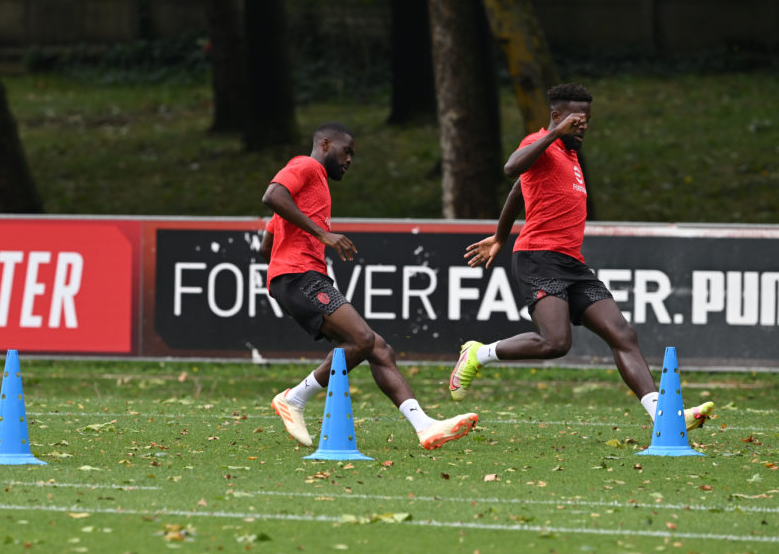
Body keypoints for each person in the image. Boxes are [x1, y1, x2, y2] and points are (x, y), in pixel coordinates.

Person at [453, 83, 714, 431]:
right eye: (577, 120)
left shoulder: (571, 156)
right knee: (556, 343)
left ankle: (663, 417)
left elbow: (520, 190)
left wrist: (500, 235)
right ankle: (478, 353)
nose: (584, 126)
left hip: (572, 264)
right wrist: (552, 135)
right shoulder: (538, 142)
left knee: (623, 334)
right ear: (558, 117)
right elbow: (511, 169)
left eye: (588, 120)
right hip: (538, 258)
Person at [263, 122, 478, 450]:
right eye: (345, 150)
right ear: (324, 144)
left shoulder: (308, 189)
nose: (349, 159)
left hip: (297, 277)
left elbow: (267, 245)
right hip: (299, 276)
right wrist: (321, 234)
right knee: (362, 339)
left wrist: (287, 235)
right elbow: (272, 194)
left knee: (379, 349)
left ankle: (425, 427)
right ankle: (294, 398)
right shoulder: (305, 166)